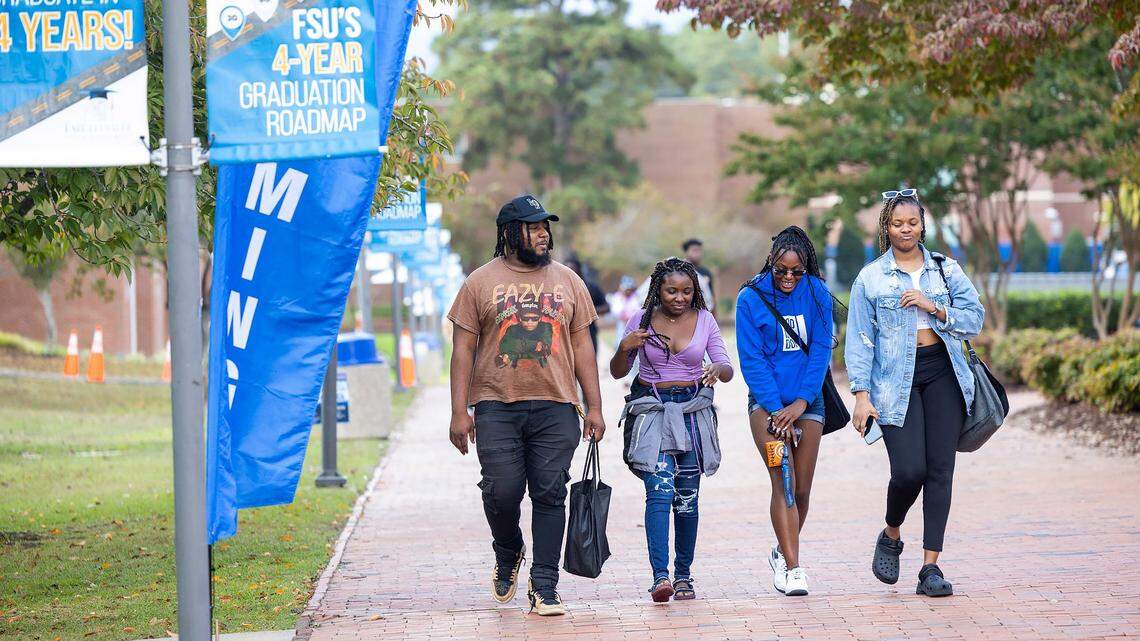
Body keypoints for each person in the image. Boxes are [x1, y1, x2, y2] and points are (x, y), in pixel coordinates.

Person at [447, 194, 607, 616]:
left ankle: (545, 585)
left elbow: (581, 344)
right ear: (508, 233)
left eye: (545, 227)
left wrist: (594, 405)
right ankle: (508, 549)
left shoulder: (568, 281)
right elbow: (462, 349)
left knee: (550, 493)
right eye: (533, 227)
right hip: (496, 403)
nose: (543, 234)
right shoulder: (478, 282)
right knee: (501, 492)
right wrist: (458, 411)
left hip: (557, 404)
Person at [845, 189, 984, 597]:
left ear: (922, 224)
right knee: (909, 471)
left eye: (912, 222)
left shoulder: (944, 269)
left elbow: (974, 316)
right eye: (897, 223)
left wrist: (935, 307)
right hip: (893, 383)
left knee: (940, 471)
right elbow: (859, 340)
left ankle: (930, 569)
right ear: (885, 228)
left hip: (944, 374)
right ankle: (891, 531)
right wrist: (861, 394)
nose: (905, 229)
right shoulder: (870, 277)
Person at [609, 257, 734, 602]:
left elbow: (725, 365)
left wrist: (716, 371)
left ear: (694, 291)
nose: (679, 298)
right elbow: (618, 371)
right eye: (671, 291)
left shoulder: (705, 319)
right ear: (657, 291)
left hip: (693, 413)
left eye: (686, 291)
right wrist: (625, 346)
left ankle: (684, 576)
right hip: (653, 412)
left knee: (688, 500)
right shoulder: (642, 320)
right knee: (660, 493)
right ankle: (660, 577)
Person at [735, 226, 835, 597]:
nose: (789, 278)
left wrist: (801, 403)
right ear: (771, 263)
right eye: (781, 271)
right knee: (785, 482)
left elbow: (822, 349)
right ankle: (794, 569)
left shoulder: (817, 292)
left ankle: (780, 550)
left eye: (797, 271)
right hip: (767, 407)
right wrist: (779, 410)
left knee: (804, 491)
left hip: (808, 404)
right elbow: (752, 359)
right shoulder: (751, 297)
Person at [566, 256, 610, 354]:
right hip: (566, 335)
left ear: (579, 270)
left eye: (572, 269)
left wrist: (587, 310)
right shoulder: (560, 289)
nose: (570, 272)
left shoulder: (591, 287)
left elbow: (606, 307)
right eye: (567, 269)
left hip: (589, 333)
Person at [683, 239, 716, 316]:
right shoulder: (680, 271)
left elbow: (711, 297)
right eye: (694, 250)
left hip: (702, 313)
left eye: (699, 251)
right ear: (686, 252)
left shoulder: (706, 272)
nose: (697, 254)